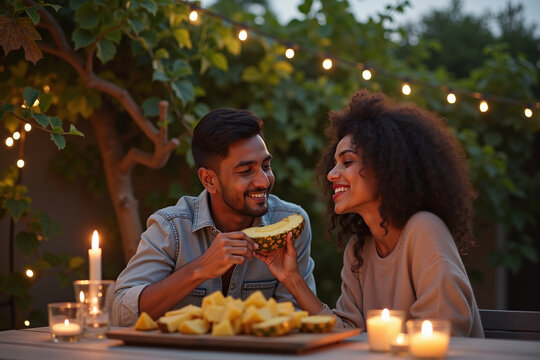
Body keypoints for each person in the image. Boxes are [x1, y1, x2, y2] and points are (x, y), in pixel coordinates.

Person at [256, 90, 484, 337]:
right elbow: (347, 333)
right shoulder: (358, 250)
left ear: (386, 167)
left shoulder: (424, 229)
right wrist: (292, 279)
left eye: (348, 161)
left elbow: (443, 334)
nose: (331, 174)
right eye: (334, 163)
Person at [112, 108, 316, 326]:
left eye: (266, 166)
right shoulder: (171, 228)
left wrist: (292, 280)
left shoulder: (290, 223)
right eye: (246, 171)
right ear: (209, 180)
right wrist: (199, 269)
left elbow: (298, 321)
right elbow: (121, 311)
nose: (264, 181)